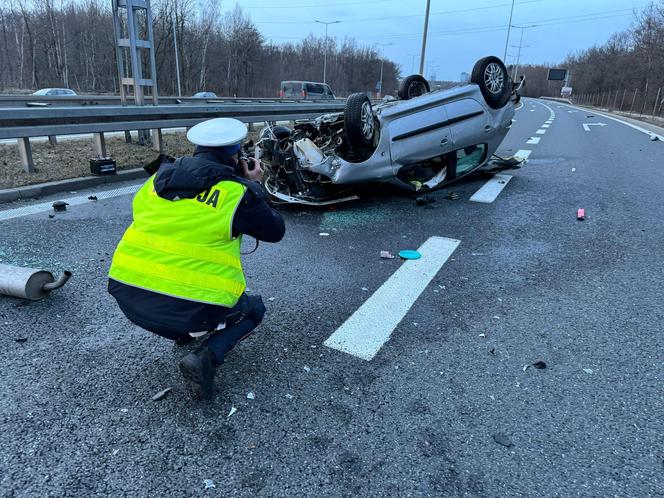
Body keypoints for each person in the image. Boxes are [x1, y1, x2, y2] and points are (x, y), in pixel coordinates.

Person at [107, 118, 285, 398]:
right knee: (254, 309)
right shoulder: (235, 194)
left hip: (128, 298)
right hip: (190, 310)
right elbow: (275, 231)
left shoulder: (154, 183)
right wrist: (253, 186)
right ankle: (206, 357)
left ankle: (182, 333)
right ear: (237, 156)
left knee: (174, 272)